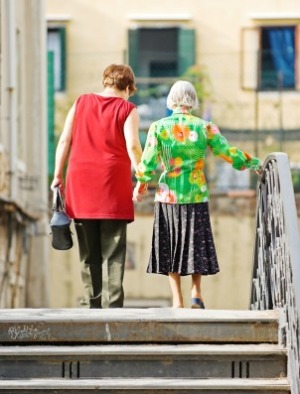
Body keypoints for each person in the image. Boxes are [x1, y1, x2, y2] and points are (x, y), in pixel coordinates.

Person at [133, 80, 261, 309]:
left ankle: (177, 300)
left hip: (168, 195)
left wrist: (141, 183)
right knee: (195, 244)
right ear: (193, 100)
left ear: (171, 100)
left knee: (170, 245)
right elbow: (227, 152)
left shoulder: (159, 127)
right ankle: (196, 292)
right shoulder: (205, 127)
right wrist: (254, 163)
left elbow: (148, 161)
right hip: (196, 194)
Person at [51, 64, 142, 308]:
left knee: (88, 251)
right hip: (113, 182)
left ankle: (91, 305)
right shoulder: (128, 109)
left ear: (105, 82)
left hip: (80, 181)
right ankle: (113, 307)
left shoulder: (81, 102)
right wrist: (143, 178)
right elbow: (133, 145)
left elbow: (64, 140)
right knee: (114, 250)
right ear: (128, 88)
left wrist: (57, 174)